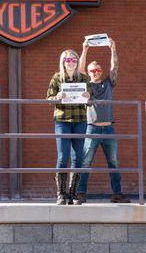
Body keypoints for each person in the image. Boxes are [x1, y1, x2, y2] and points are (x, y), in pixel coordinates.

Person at [76, 38, 131, 204]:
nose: (96, 72)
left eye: (98, 69)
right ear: (89, 72)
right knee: (85, 161)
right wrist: (84, 49)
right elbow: (79, 70)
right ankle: (80, 193)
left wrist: (113, 48)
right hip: (92, 129)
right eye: (92, 70)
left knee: (113, 162)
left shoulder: (108, 83)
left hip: (108, 129)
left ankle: (117, 193)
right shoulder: (86, 85)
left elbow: (115, 68)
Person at [46, 49, 91, 205]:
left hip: (80, 120)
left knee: (78, 158)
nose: (71, 63)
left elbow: (91, 99)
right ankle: (61, 194)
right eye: (68, 60)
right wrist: (57, 97)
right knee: (62, 157)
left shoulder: (84, 79)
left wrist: (88, 97)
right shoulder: (57, 78)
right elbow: (49, 98)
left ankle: (72, 194)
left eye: (73, 60)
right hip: (62, 120)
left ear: (77, 62)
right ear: (63, 62)